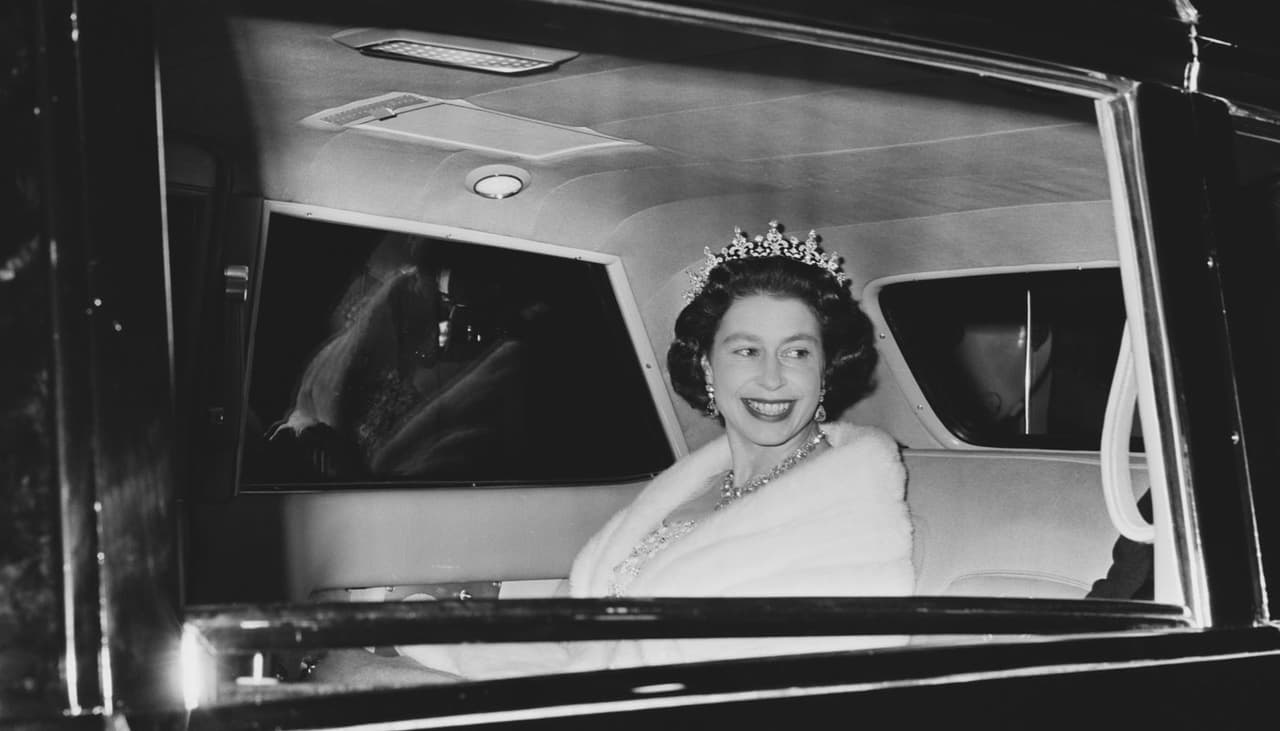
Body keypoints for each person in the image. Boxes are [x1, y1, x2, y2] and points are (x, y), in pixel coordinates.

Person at [312, 221, 915, 685]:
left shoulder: (847, 515)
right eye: (746, 350)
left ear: (826, 370)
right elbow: (569, 635)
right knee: (341, 672)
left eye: (797, 352)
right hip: (586, 693)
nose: (773, 378)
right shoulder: (690, 486)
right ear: (708, 367)